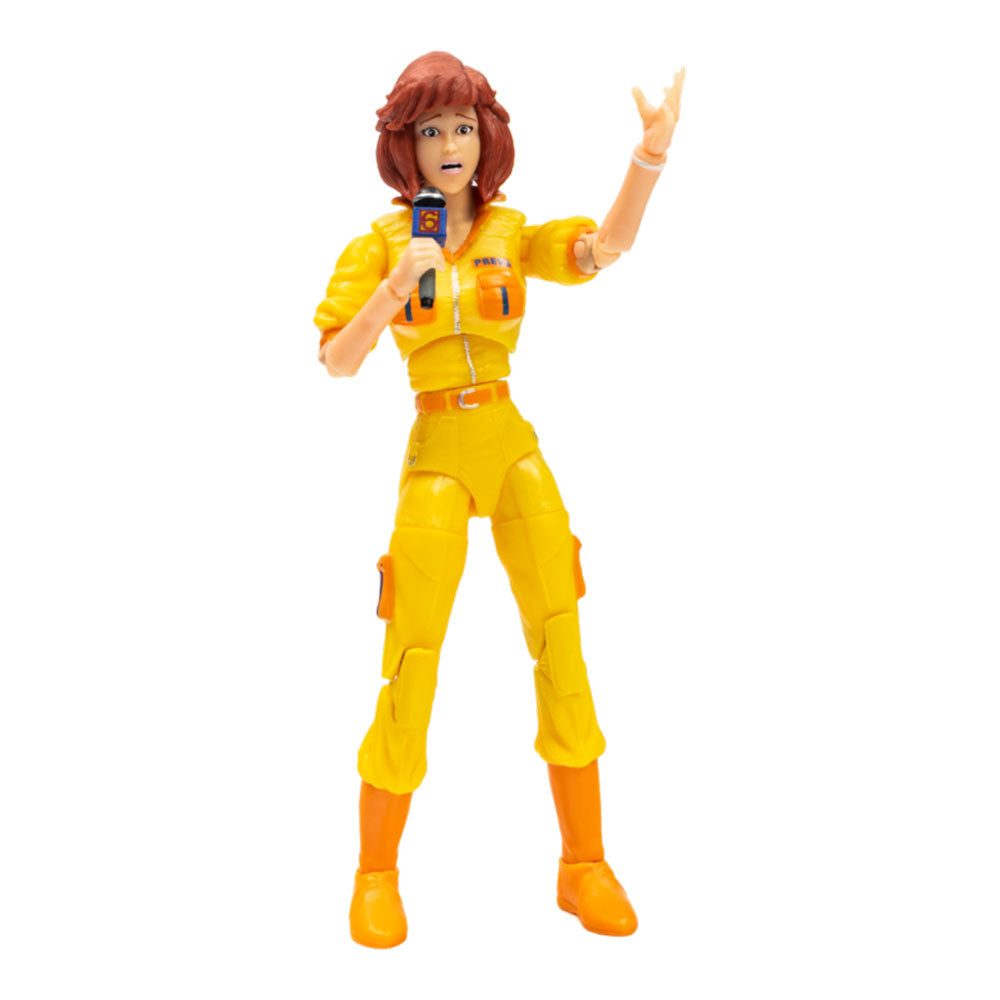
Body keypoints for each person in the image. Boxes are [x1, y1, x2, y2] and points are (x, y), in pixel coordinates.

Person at [314, 51, 684, 948]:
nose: (450, 144)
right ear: (404, 145)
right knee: (411, 657)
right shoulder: (380, 244)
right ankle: (375, 872)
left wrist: (648, 159)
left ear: (487, 137)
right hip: (437, 452)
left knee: (562, 640)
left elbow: (602, 249)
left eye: (463, 127)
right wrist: (394, 288)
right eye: (431, 130)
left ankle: (584, 863)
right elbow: (336, 358)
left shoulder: (511, 230)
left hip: (512, 446)